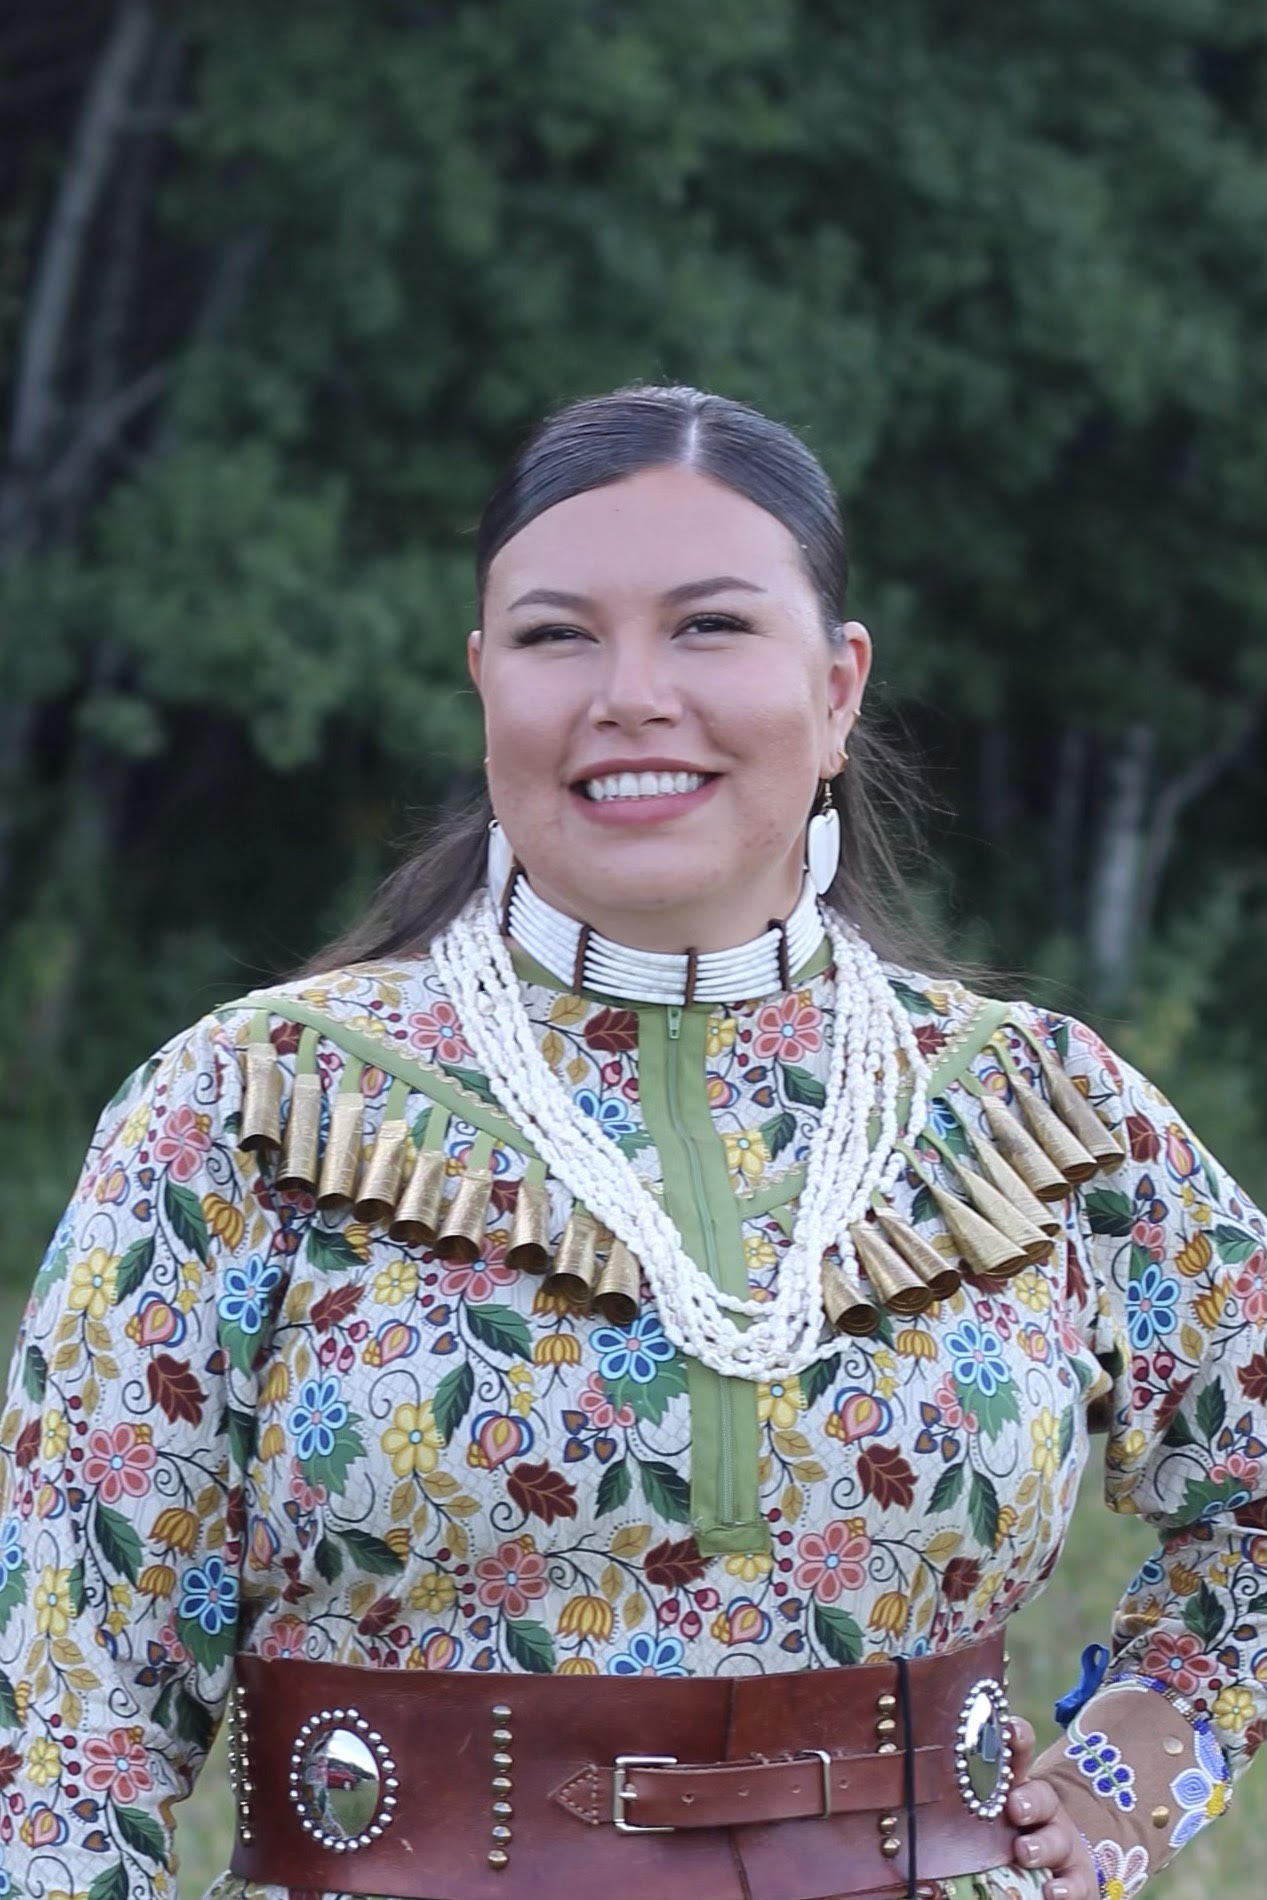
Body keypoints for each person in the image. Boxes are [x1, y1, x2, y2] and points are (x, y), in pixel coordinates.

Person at [0, 385, 1261, 1900]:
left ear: (841, 687)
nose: (631, 693)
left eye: (711, 627)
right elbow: (73, 1696)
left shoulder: (1039, 1112)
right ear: (483, 684)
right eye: (557, 636)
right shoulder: (252, 1108)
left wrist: (1134, 1776)